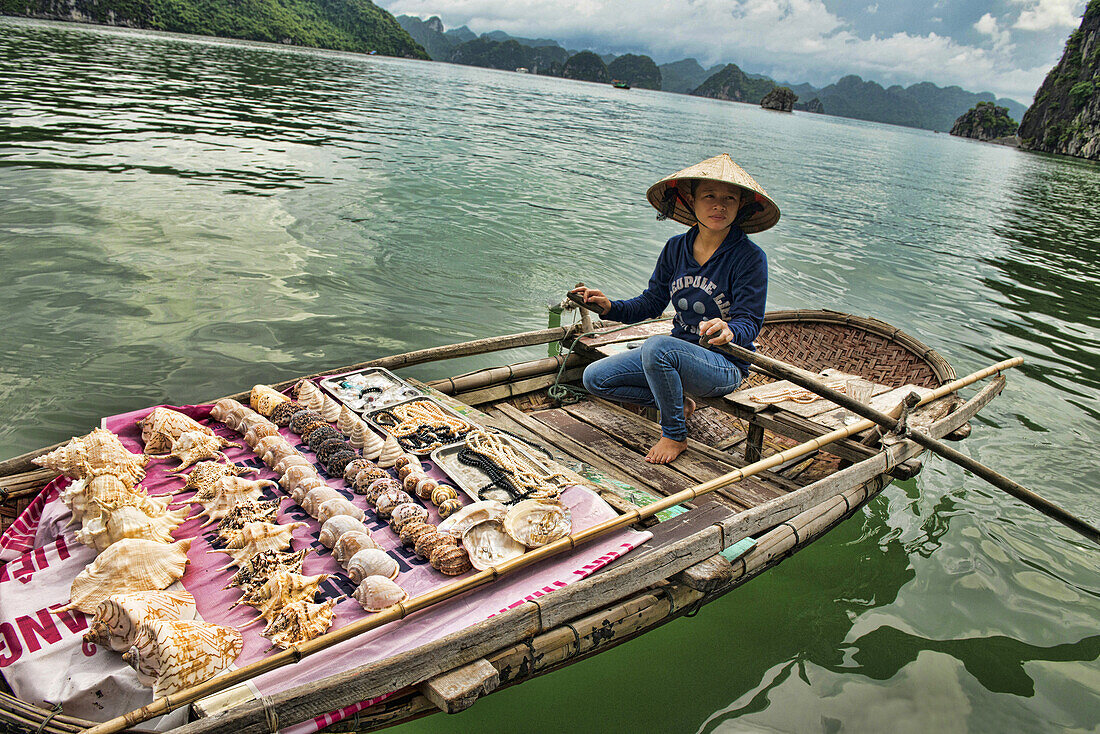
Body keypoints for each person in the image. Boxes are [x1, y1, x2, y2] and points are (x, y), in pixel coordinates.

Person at [572, 153, 780, 464]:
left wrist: (729, 329)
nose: (719, 206)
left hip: (723, 364)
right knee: (595, 378)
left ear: (740, 206)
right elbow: (652, 302)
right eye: (709, 196)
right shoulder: (675, 248)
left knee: (657, 348)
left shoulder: (749, 257)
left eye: (730, 199)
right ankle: (677, 403)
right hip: (674, 355)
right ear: (691, 200)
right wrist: (609, 306)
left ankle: (674, 434)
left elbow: (750, 321)